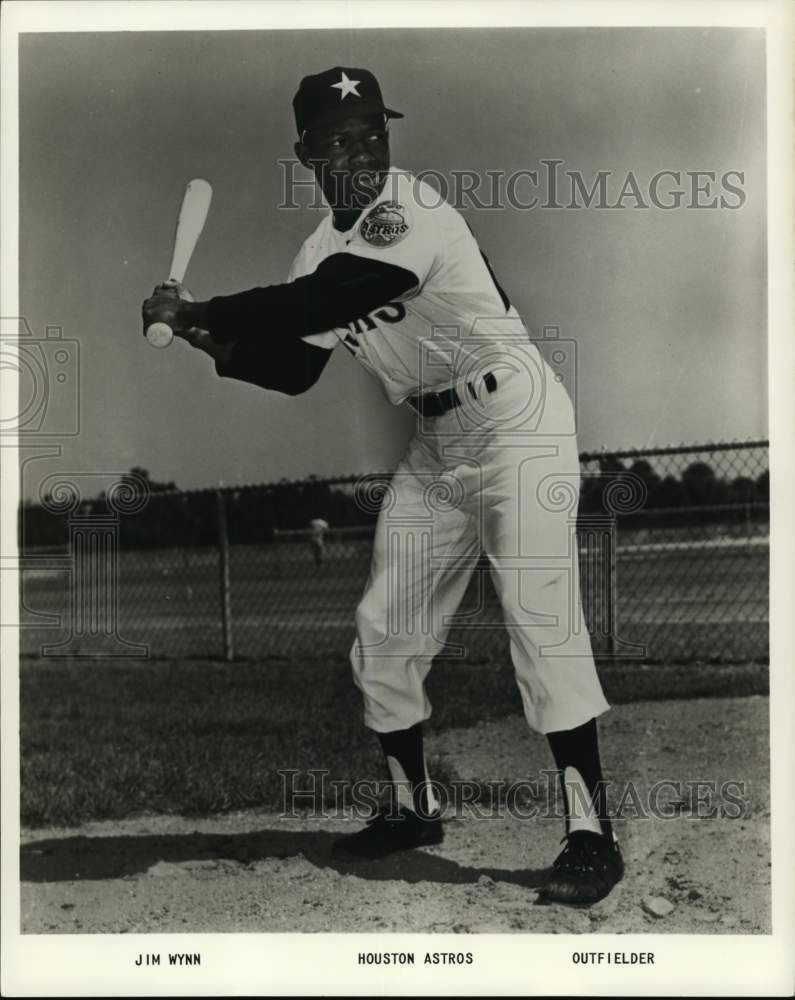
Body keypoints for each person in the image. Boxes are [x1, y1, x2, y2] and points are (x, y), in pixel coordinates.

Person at [142, 66, 624, 905]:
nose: (361, 152)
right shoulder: (319, 249)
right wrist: (192, 333)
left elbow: (332, 296)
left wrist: (201, 307)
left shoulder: (410, 212)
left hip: (517, 422)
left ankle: (590, 831)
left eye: (373, 133)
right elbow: (291, 367)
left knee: (539, 618)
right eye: (339, 140)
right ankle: (411, 808)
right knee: (381, 632)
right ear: (305, 153)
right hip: (437, 443)